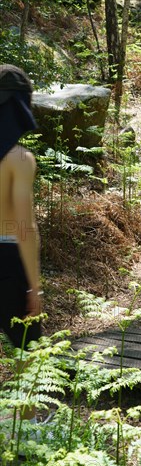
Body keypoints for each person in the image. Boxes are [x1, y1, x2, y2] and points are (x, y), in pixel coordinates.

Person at [0, 64, 42, 351]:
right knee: (31, 357)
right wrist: (34, 288)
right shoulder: (19, 159)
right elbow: (25, 228)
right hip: (8, 259)